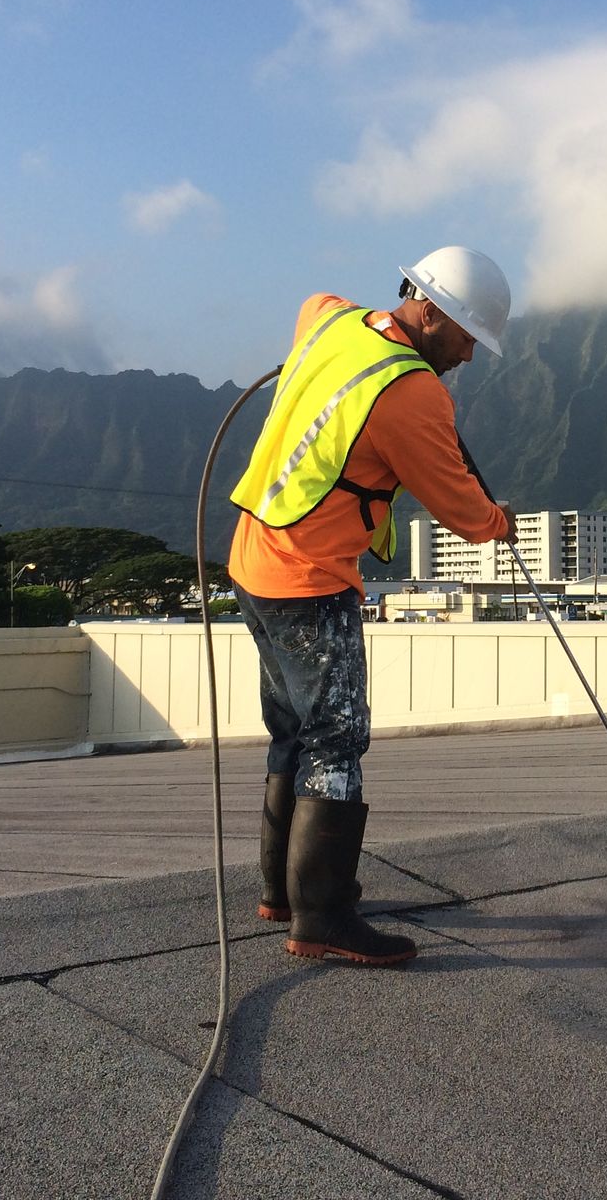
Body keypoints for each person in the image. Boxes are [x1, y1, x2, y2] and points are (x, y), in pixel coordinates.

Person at [228, 245, 516, 966]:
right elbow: (461, 510)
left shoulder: (331, 321)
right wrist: (498, 522)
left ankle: (283, 891)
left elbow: (312, 303)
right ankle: (320, 917)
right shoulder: (414, 394)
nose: (470, 358)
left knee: (292, 730)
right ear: (429, 310)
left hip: (253, 559)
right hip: (310, 582)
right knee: (338, 739)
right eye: (467, 338)